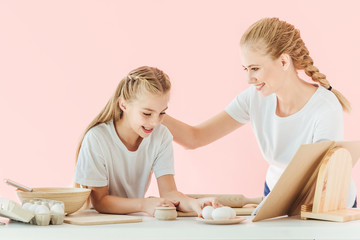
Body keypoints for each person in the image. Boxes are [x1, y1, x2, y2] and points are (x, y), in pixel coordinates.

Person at [163, 18, 357, 208]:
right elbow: (195, 138)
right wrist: (152, 112)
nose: (249, 78)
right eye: (246, 69)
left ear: (283, 62)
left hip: (327, 202)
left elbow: (322, 178)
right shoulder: (254, 98)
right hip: (277, 195)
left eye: (255, 68)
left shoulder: (325, 107)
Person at [74, 66, 218, 216]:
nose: (155, 122)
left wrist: (194, 203)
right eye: (147, 113)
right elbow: (100, 201)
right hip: (97, 222)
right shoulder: (97, 138)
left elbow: (169, 192)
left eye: (162, 113)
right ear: (123, 105)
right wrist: (144, 204)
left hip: (134, 220)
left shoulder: (161, 136)